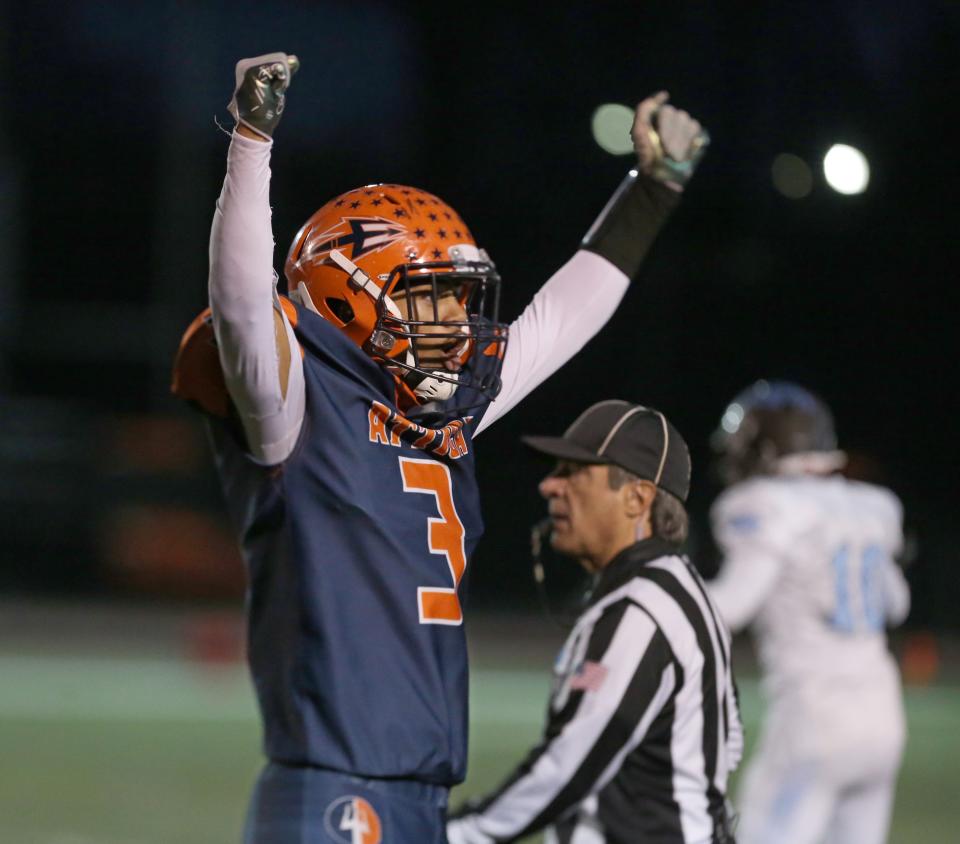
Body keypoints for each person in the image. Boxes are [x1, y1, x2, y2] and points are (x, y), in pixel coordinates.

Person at [171, 52, 709, 843]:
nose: (457, 326)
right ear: (349, 293)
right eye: (432, 299)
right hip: (332, 788)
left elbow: (559, 319)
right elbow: (245, 304)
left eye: (459, 301)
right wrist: (252, 140)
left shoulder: (446, 421)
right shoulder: (295, 411)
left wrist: (652, 191)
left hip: (422, 785)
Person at [447, 400, 743, 844]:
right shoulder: (679, 589)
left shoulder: (641, 611)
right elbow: (729, 742)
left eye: (574, 472)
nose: (550, 486)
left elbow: (567, 767)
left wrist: (452, 832)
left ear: (637, 498)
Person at [708, 380, 910, 844]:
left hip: (815, 718)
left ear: (760, 448)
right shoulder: (871, 505)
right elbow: (897, 605)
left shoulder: (768, 504)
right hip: (883, 718)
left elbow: (733, 605)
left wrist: (656, 590)